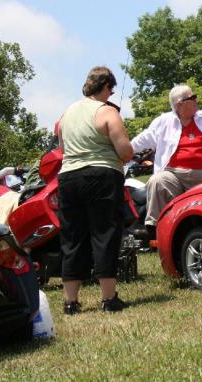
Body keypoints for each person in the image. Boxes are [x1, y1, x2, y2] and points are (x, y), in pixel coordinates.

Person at [57, 66, 134, 314]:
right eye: (111, 89)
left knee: (72, 237)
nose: (111, 94)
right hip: (101, 175)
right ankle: (109, 298)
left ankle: (70, 302)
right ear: (105, 87)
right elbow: (125, 151)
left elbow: (62, 148)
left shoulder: (66, 114)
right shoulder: (107, 111)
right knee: (104, 233)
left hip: (68, 177)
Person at [131, 84, 202, 237]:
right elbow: (144, 139)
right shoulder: (164, 121)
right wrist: (126, 149)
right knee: (157, 180)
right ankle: (154, 228)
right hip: (175, 175)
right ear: (179, 104)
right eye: (192, 97)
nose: (196, 100)